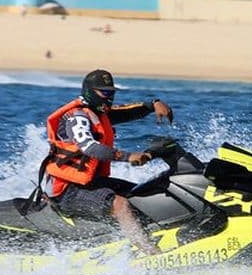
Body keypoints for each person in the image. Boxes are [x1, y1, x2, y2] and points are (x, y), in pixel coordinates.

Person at [42, 69, 173, 254]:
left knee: (144, 193)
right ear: (90, 91)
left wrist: (154, 104)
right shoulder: (77, 117)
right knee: (120, 205)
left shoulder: (100, 113)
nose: (109, 98)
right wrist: (127, 156)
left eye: (112, 93)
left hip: (89, 183)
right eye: (105, 93)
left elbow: (127, 111)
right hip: (66, 190)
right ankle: (151, 254)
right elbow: (90, 148)